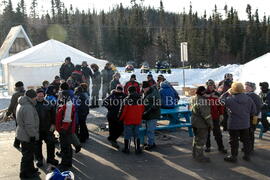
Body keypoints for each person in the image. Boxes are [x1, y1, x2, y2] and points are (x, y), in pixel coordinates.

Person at [220, 82, 256, 163]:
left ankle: (234, 156)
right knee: (246, 140)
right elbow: (253, 111)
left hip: (233, 124)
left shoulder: (230, 99)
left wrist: (226, 93)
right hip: (245, 124)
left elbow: (220, 101)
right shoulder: (249, 99)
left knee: (234, 141)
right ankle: (247, 155)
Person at [16, 89, 40, 178]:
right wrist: (32, 135)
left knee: (29, 154)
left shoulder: (23, 103)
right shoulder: (28, 107)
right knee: (27, 155)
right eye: (36, 97)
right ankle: (24, 173)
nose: (36, 98)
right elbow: (29, 124)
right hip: (27, 135)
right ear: (32, 97)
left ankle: (31, 169)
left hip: (23, 133)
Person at [34, 88, 58, 167]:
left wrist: (53, 124)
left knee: (51, 143)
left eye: (42, 96)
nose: (40, 97)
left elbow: (54, 115)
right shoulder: (33, 105)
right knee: (37, 145)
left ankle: (51, 158)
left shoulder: (49, 104)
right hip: (37, 129)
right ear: (36, 96)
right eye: (39, 96)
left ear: (44, 96)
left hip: (48, 128)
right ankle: (39, 159)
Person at [204, 79, 227, 154]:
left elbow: (221, 105)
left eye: (212, 85)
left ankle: (221, 147)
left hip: (215, 117)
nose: (211, 87)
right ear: (207, 86)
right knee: (206, 133)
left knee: (217, 133)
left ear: (214, 86)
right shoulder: (203, 94)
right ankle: (207, 146)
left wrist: (221, 114)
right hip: (206, 117)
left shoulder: (217, 94)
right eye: (209, 85)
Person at [120, 86, 144, 154]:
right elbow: (142, 110)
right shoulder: (140, 99)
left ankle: (126, 149)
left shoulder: (126, 99)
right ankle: (138, 149)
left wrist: (120, 119)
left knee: (127, 135)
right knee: (137, 134)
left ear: (129, 91)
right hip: (137, 120)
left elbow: (123, 111)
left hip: (128, 120)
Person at [191, 86, 213, 163]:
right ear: (202, 93)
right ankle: (199, 157)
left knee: (196, 138)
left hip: (194, 122)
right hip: (201, 124)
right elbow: (206, 115)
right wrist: (211, 124)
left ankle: (195, 154)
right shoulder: (202, 101)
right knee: (200, 141)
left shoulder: (194, 98)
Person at [56, 91, 76, 172]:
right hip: (66, 130)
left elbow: (67, 119)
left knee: (65, 147)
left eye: (60, 95)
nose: (59, 96)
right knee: (67, 147)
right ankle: (68, 162)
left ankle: (64, 164)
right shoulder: (65, 104)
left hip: (65, 130)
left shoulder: (68, 105)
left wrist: (63, 130)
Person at [5, 81, 25, 150]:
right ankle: (17, 143)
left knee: (19, 129)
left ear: (17, 87)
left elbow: (11, 105)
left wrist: (7, 114)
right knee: (23, 129)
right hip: (26, 114)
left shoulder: (15, 95)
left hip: (18, 114)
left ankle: (18, 143)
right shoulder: (26, 93)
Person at [142, 81, 161, 150]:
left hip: (153, 114)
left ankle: (150, 144)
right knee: (149, 129)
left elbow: (157, 104)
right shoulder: (147, 93)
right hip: (148, 114)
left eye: (145, 88)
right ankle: (151, 142)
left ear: (148, 87)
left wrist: (148, 111)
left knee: (150, 130)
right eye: (143, 88)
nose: (144, 90)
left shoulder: (154, 93)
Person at [245, 82, 262, 152]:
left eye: (247, 87)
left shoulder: (252, 95)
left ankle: (250, 148)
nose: (245, 88)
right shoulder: (250, 95)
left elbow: (257, 108)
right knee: (249, 132)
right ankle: (249, 147)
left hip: (254, 117)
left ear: (251, 88)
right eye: (245, 86)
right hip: (254, 116)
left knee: (250, 131)